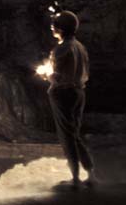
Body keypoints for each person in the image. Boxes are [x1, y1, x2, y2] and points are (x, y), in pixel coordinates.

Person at [42, 10, 95, 189]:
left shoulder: (61, 49)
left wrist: (46, 74)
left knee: (67, 136)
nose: (52, 27)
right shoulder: (80, 46)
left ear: (61, 28)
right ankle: (90, 174)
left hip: (63, 93)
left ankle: (75, 178)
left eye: (55, 24)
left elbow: (56, 77)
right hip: (79, 92)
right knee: (75, 134)